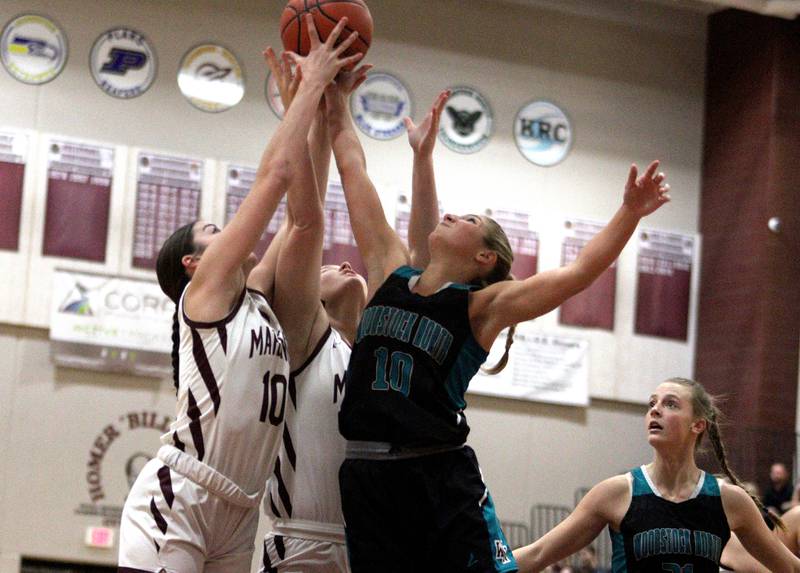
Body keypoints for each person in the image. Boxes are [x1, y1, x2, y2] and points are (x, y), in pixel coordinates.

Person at [325, 66, 671, 572]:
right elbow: (353, 168)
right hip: (366, 472)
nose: (454, 216)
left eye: (470, 220)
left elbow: (577, 273)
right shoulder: (387, 273)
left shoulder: (480, 309)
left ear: (485, 258)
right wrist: (333, 95)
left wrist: (629, 214)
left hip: (437, 474)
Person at [117, 19, 362, 572]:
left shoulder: (253, 301)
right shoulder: (203, 296)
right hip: (180, 497)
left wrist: (322, 117)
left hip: (241, 511)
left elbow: (306, 219)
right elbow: (275, 175)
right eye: (212, 229)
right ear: (194, 261)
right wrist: (305, 91)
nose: (226, 230)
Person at [258, 32, 451, 573]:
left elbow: (420, 258)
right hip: (302, 544)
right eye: (323, 269)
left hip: (374, 546)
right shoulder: (299, 335)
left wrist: (422, 161)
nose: (342, 264)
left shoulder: (378, 348)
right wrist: (312, 106)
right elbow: (306, 216)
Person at [512, 378, 800, 573]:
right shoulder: (616, 492)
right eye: (652, 404)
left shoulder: (728, 499)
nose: (655, 410)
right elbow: (539, 553)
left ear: (697, 425)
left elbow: (788, 567)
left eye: (670, 404)